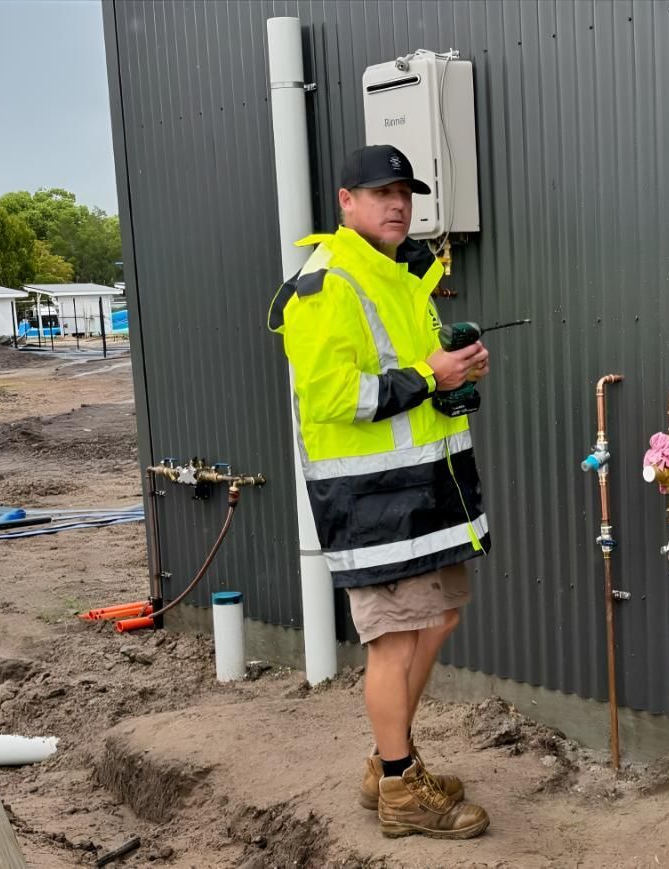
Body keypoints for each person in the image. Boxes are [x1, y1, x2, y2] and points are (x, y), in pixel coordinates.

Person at [269, 144, 492, 839]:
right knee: (393, 641)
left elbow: (412, 368)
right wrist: (431, 377)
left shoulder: (399, 274)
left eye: (405, 192)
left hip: (426, 491)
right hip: (371, 501)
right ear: (345, 201)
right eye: (381, 192)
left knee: (439, 618)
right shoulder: (327, 282)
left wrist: (454, 367)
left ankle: (387, 760)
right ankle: (400, 786)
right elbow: (333, 397)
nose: (398, 204)